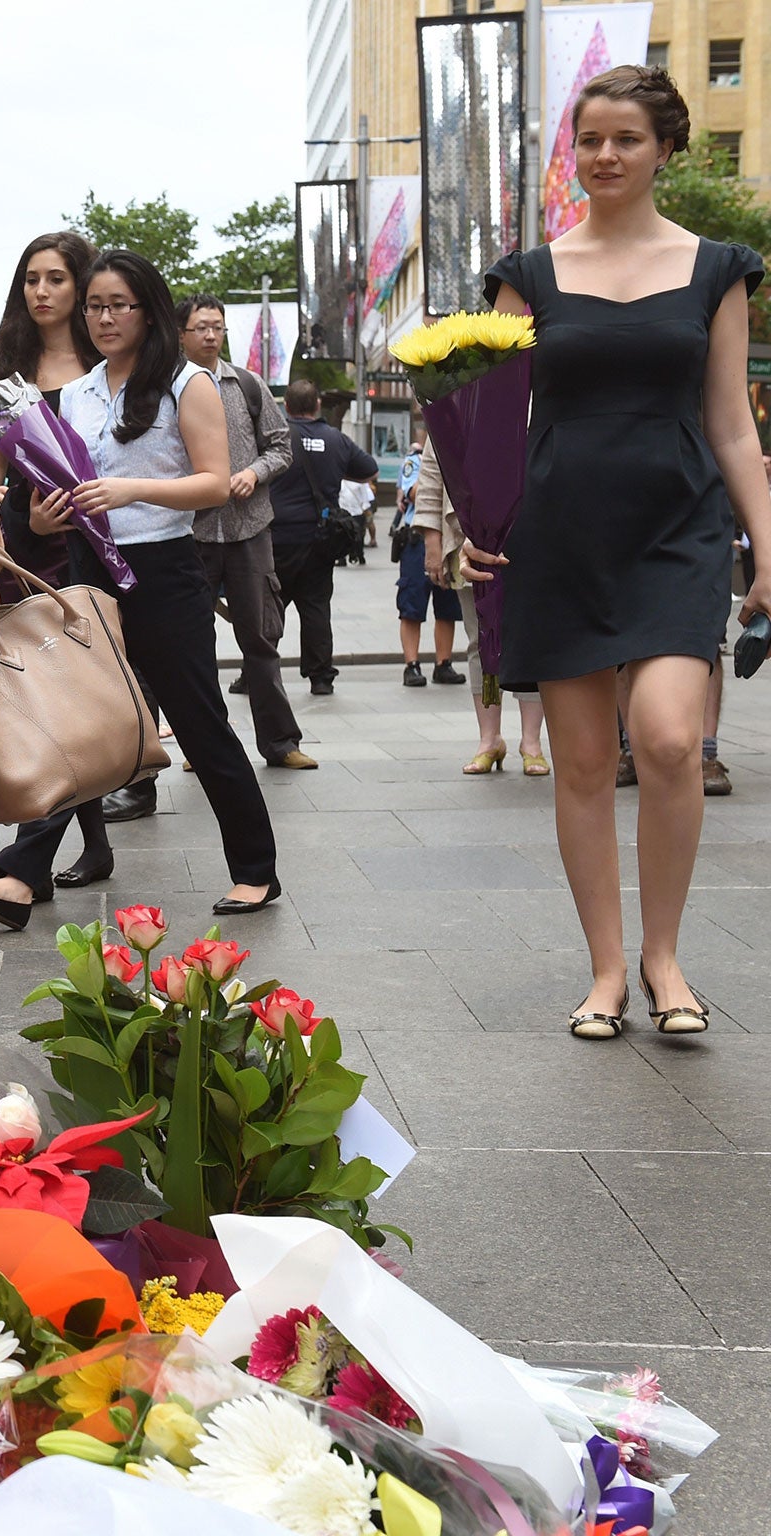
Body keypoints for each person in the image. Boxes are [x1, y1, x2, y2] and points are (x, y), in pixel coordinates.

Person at [470, 64, 770, 1038]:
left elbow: (730, 424)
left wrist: (764, 542)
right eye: (587, 140)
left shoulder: (717, 268)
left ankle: (663, 957)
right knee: (584, 763)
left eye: (624, 140)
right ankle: (605, 970)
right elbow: (490, 423)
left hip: (674, 529)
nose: (602, 156)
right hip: (559, 535)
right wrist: (469, 528)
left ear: (663, 150)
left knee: (672, 739)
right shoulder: (528, 274)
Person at [0, 250, 280, 922]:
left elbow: (212, 480)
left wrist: (131, 489)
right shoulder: (81, 391)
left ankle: (257, 870)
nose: (105, 318)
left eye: (119, 305)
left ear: (148, 311)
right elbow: (48, 483)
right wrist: (41, 513)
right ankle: (22, 874)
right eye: (96, 306)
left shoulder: (186, 383)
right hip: (89, 571)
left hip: (166, 572)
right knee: (79, 724)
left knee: (201, 724)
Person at [0, 232, 105, 898]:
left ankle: (25, 865)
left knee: (76, 695)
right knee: (67, 691)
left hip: (102, 544)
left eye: (55, 279)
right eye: (31, 280)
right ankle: (90, 845)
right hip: (27, 545)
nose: (41, 292)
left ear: (79, 286)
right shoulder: (6, 368)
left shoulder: (106, 361)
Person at [178, 293, 308, 769]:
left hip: (250, 529)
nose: (211, 335)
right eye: (201, 327)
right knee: (194, 645)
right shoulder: (167, 388)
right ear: (181, 335)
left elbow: (281, 447)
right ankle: (204, 747)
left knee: (260, 639)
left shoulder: (249, 385)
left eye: (218, 327)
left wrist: (254, 472)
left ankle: (281, 744)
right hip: (189, 534)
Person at [418, 440, 548, 776]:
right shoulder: (453, 396)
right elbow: (432, 475)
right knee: (479, 639)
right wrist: (433, 542)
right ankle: (489, 739)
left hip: (528, 532)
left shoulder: (527, 392)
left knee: (530, 636)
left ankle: (531, 742)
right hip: (466, 536)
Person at [270, 379, 375, 697]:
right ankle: (320, 677)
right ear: (318, 405)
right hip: (320, 538)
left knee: (268, 609)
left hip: (277, 538)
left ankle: (256, 674)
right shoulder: (336, 440)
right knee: (316, 608)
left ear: (286, 407)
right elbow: (368, 468)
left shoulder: (276, 438)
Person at [395, 445, 464, 687]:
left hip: (449, 538)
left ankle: (443, 663)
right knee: (412, 602)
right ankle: (411, 665)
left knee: (448, 606)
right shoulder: (414, 460)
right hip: (417, 541)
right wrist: (432, 467)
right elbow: (413, 493)